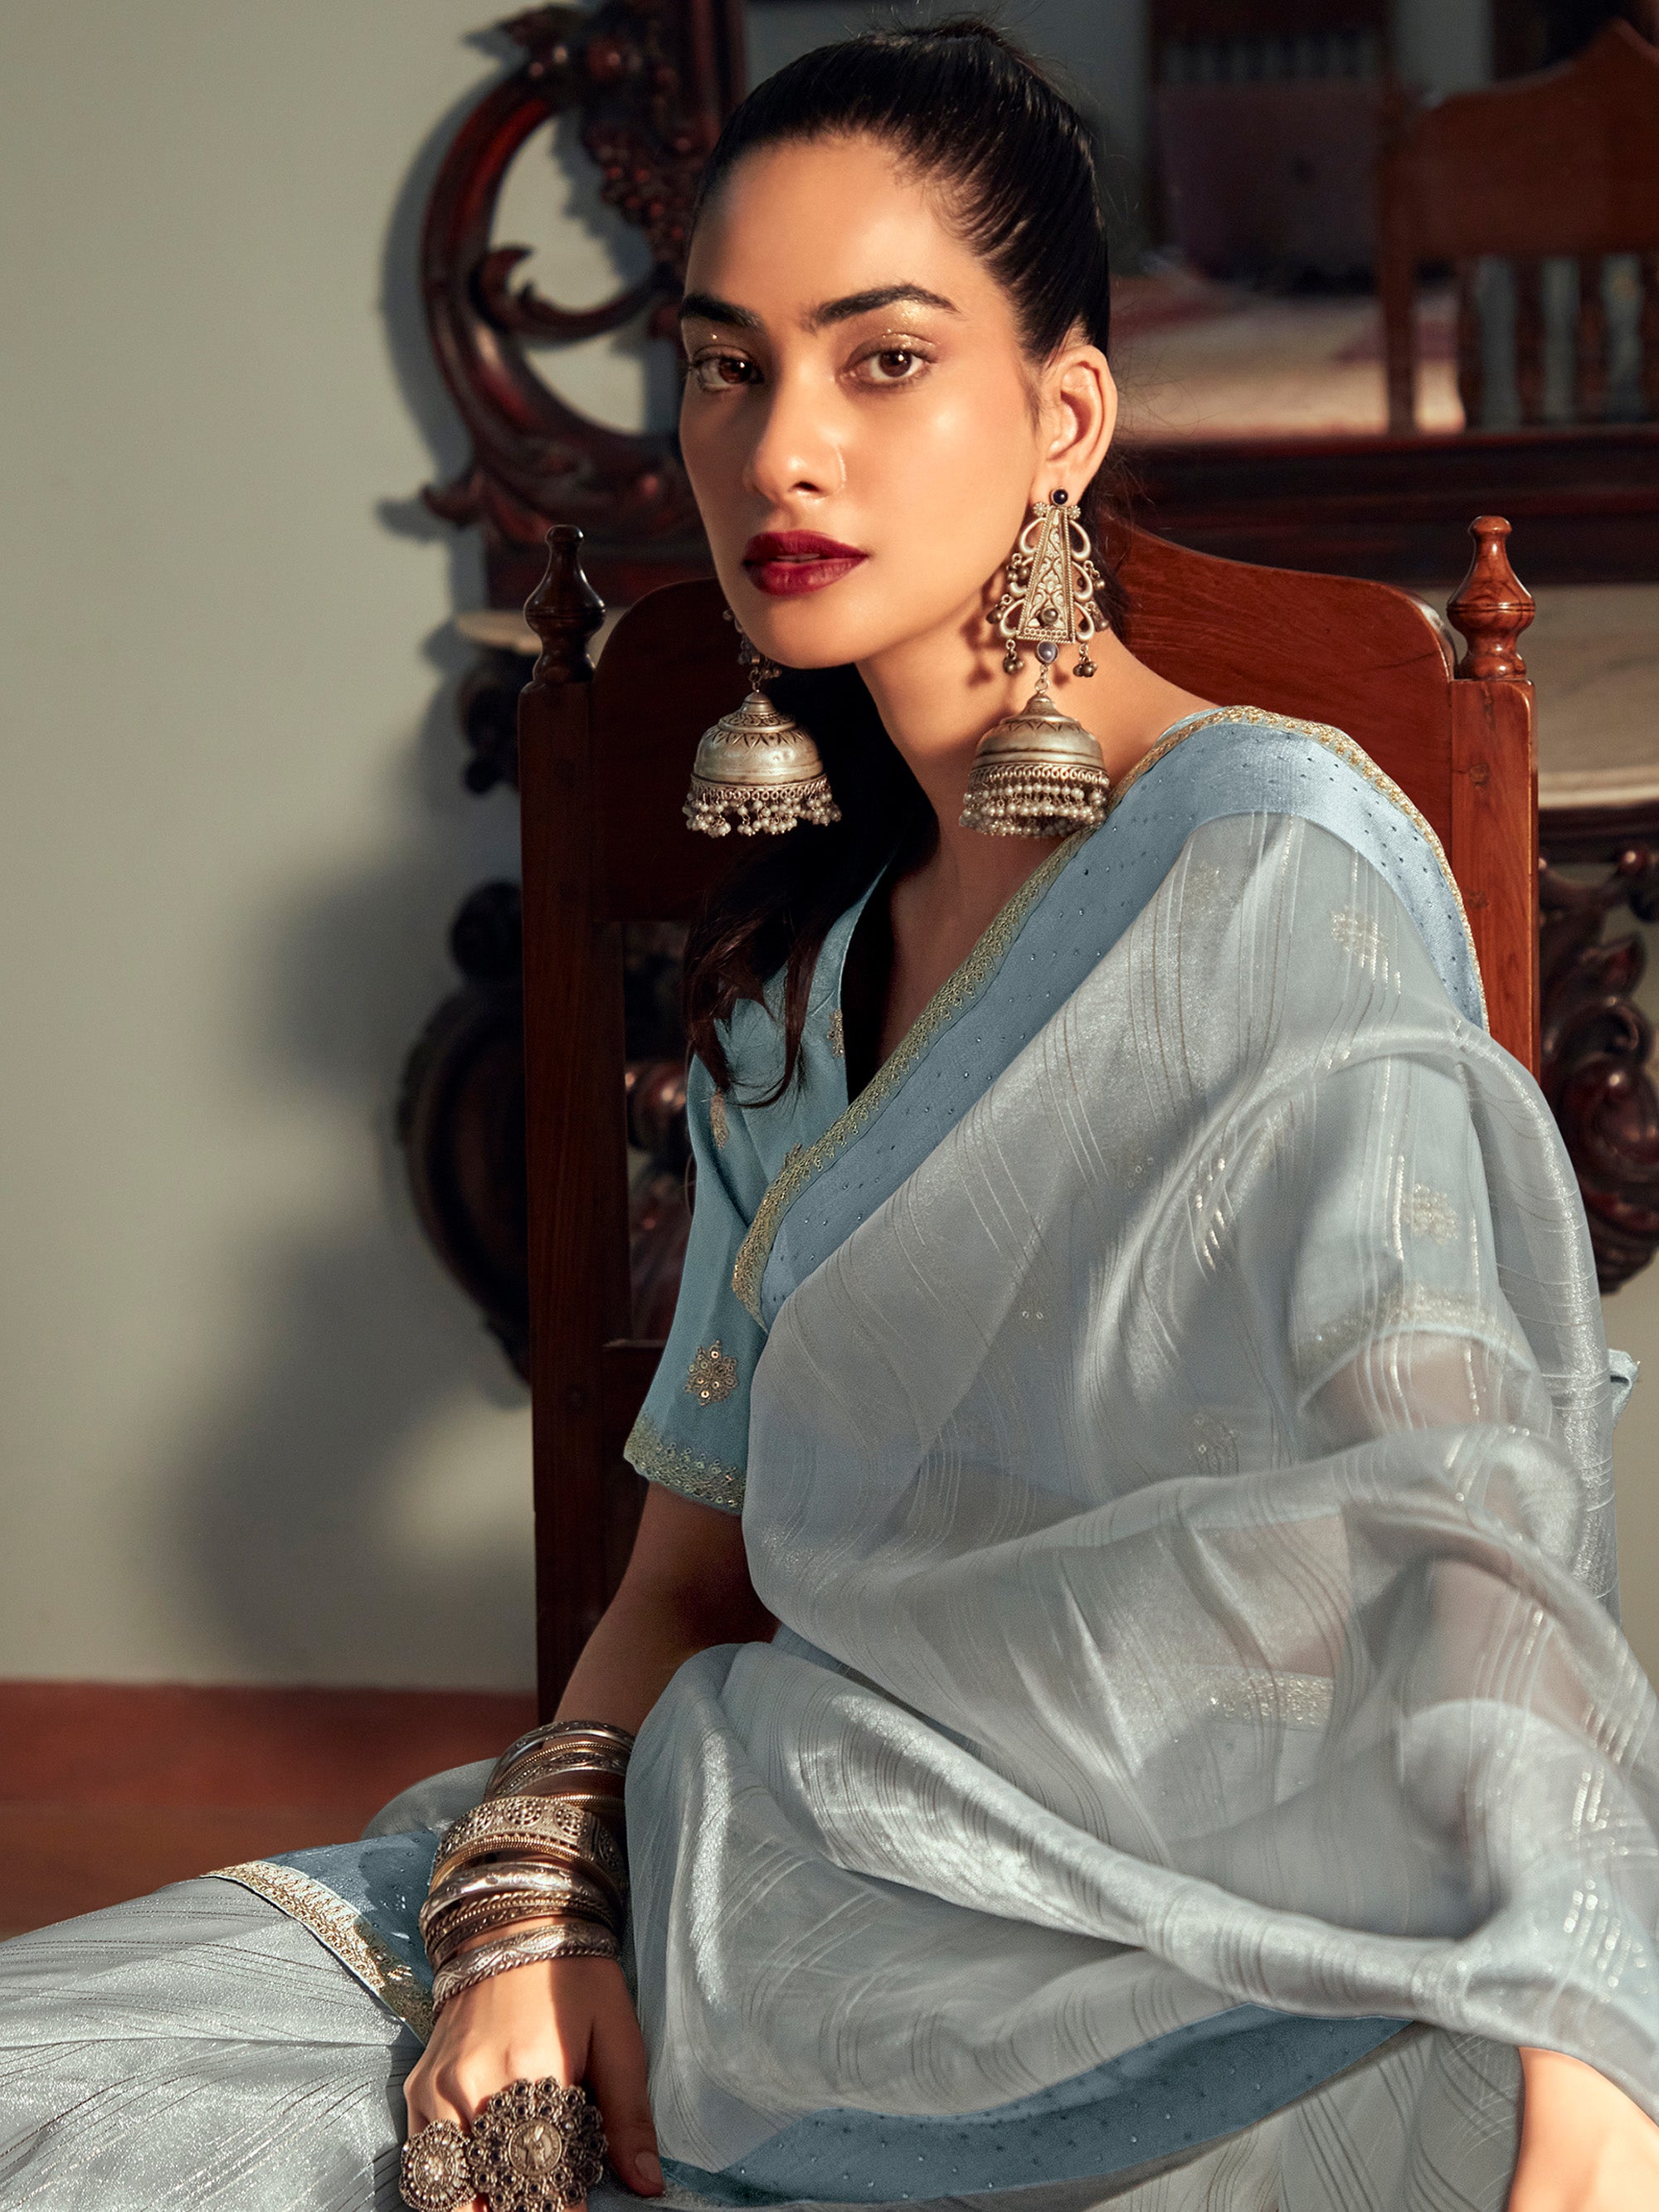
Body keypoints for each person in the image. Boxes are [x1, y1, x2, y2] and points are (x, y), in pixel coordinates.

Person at [2, 22, 1657, 2211]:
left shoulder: (1270, 869)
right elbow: (683, 1580)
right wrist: (535, 1911)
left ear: (1067, 416)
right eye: (725, 365)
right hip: (750, 1881)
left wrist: (1583, 2035)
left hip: (1174, 1967)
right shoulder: (799, 985)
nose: (779, 447)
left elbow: (1461, 1530)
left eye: (883, 360)